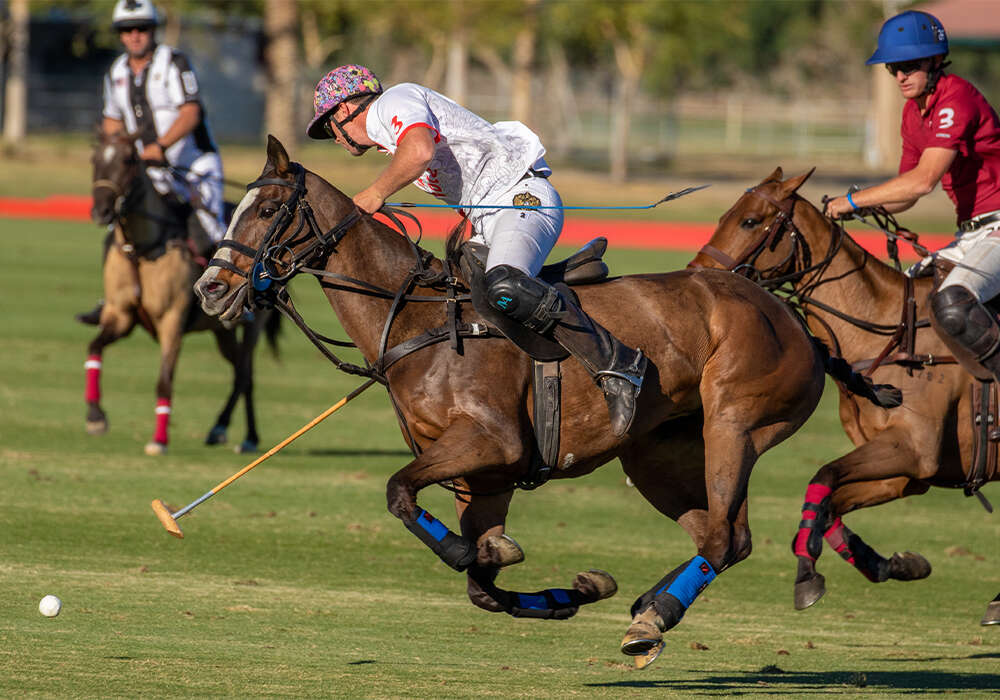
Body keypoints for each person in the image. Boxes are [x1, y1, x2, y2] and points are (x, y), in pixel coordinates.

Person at [305, 65, 646, 436]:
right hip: (493, 218)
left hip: (524, 198)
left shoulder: (393, 101)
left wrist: (376, 193)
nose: (334, 138)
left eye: (328, 129)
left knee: (505, 285)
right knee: (462, 296)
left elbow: (420, 151)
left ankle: (619, 363)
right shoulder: (391, 133)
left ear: (343, 112)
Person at [825, 10, 1000, 384]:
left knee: (954, 302)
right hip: (971, 234)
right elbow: (906, 195)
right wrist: (858, 205)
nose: (900, 76)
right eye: (893, 68)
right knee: (904, 301)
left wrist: (853, 201)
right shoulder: (912, 113)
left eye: (909, 65)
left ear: (936, 61)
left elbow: (923, 182)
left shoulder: (957, 98)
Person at [77, 0, 225, 324]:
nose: (134, 35)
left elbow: (190, 112)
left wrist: (161, 145)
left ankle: (233, 301)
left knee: (209, 227)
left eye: (141, 28)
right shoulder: (116, 72)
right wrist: (117, 149)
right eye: (127, 30)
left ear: (152, 30)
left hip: (193, 163)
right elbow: (111, 120)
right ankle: (114, 299)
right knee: (120, 226)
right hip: (147, 169)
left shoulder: (174, 62)